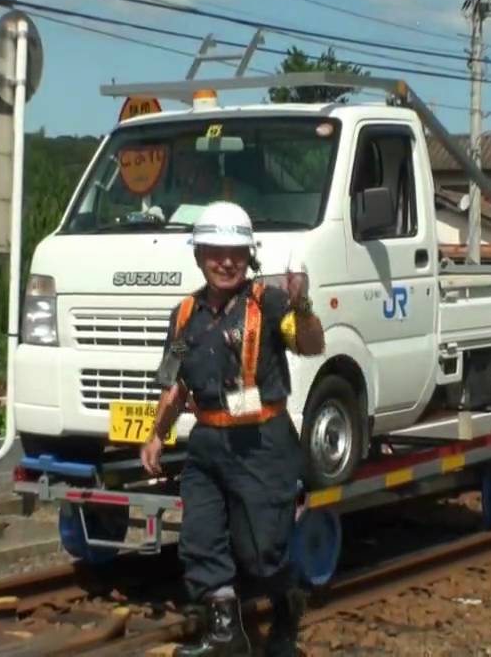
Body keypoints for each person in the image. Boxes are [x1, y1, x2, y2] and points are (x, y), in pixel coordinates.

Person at [141, 201, 325, 657]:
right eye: (215, 252)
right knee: (200, 538)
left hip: (262, 443)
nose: (226, 262)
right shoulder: (185, 315)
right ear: (199, 254)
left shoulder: (271, 304)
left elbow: (311, 344)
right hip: (208, 444)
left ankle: (287, 605)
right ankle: (226, 633)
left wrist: (302, 302)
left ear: (249, 257)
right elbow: (175, 381)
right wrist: (157, 432)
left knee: (260, 552)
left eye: (236, 254)